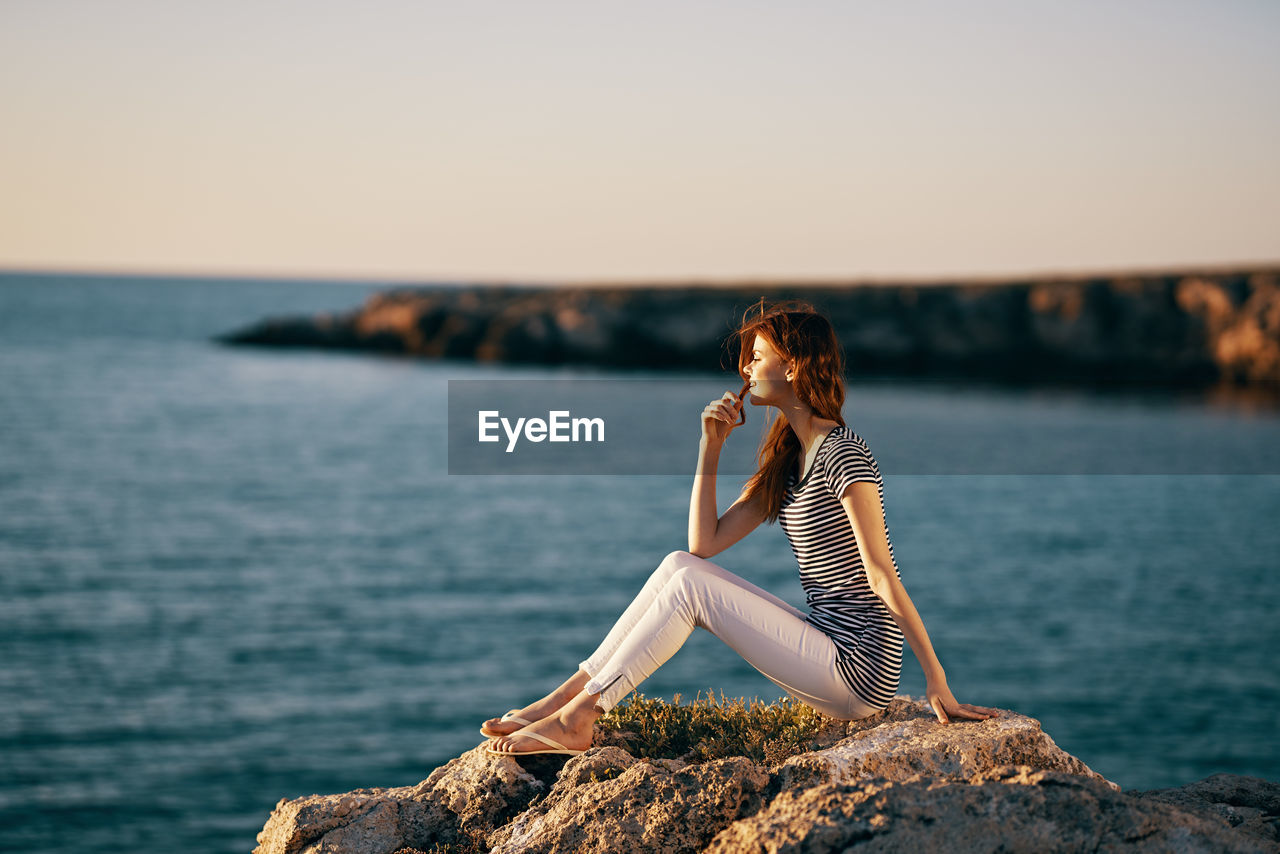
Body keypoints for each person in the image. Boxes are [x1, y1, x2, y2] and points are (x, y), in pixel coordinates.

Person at [484, 300, 998, 757]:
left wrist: (936, 679)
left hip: (860, 669)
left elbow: (882, 574)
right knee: (677, 567)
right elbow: (702, 544)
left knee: (688, 586)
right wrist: (712, 445)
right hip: (826, 640)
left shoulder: (843, 454)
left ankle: (581, 718)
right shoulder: (789, 458)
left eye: (757, 356)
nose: (745, 368)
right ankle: (564, 699)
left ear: (792, 366)